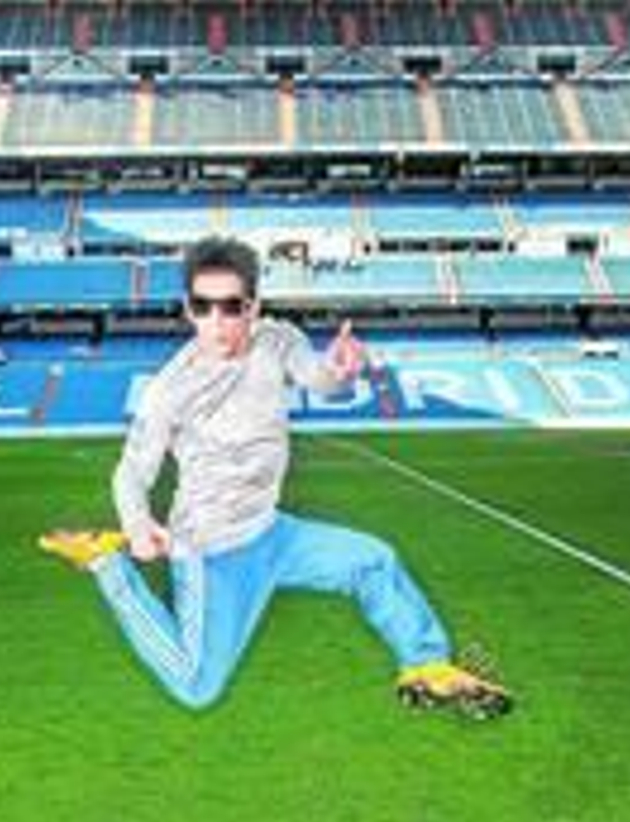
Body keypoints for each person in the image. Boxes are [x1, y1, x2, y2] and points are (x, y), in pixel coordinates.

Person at [38, 235, 510, 719]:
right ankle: (106, 565)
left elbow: (317, 377)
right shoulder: (169, 389)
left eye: (230, 307)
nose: (217, 322)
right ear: (187, 309)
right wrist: (136, 526)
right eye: (203, 307)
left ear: (253, 306)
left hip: (272, 532)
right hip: (211, 550)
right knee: (196, 689)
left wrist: (339, 369)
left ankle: (427, 666)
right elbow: (131, 472)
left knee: (373, 561)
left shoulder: (276, 339)